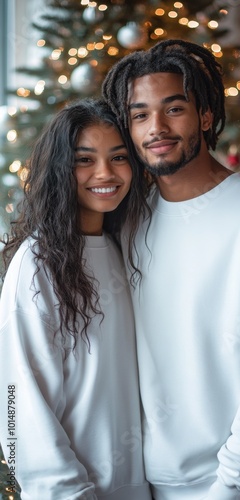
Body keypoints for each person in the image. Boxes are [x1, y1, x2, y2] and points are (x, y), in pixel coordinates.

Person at [102, 39, 240, 500]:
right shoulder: (130, 218)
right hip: (145, 482)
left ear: (204, 116)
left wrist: (232, 488)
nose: (156, 128)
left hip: (233, 485)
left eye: (173, 109)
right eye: (139, 115)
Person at [0, 98, 152, 500]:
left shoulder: (126, 249)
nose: (105, 173)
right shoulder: (36, 265)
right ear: (59, 170)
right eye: (84, 160)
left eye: (118, 157)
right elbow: (19, 407)